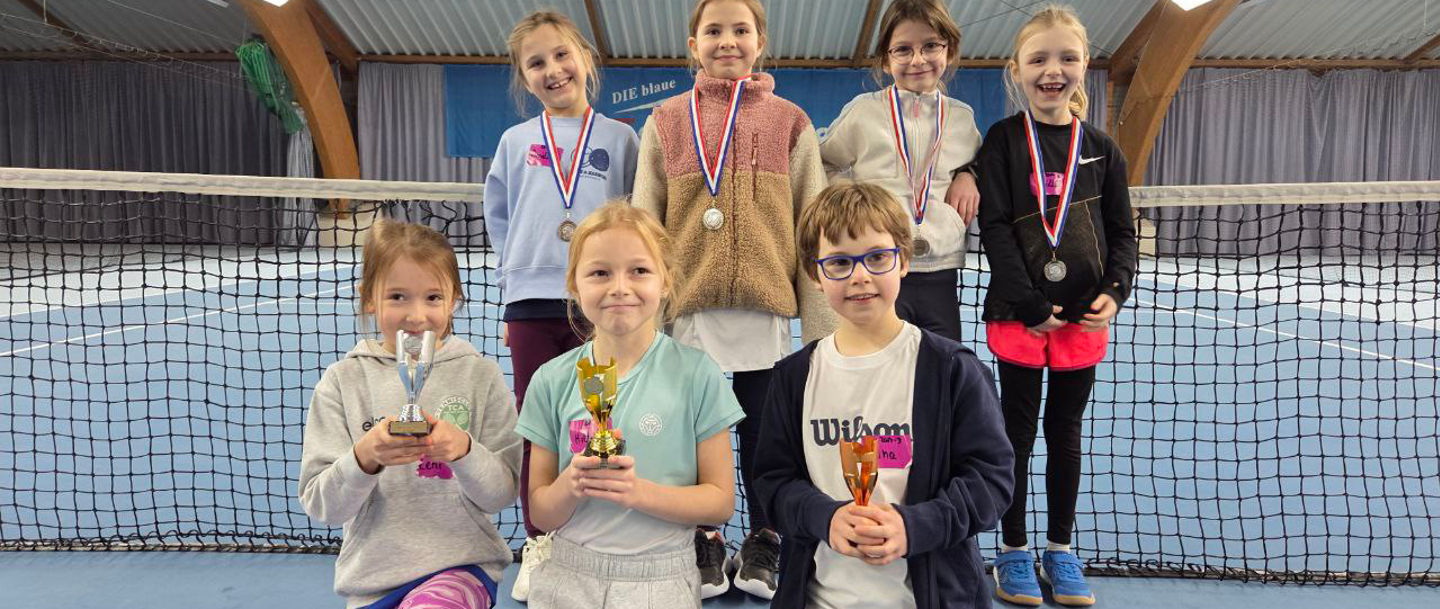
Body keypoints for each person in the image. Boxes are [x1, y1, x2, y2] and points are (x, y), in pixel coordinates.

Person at [630, 0, 835, 597]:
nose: (727, 40)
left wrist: (822, 333)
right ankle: (705, 535)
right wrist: (644, 318)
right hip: (690, 310)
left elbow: (812, 226)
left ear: (759, 41)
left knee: (767, 436)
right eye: (713, 30)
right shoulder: (666, 121)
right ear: (693, 44)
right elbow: (645, 221)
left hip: (765, 312)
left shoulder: (791, 123)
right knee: (696, 435)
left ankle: (765, 536)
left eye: (740, 29)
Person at [753, 181, 1014, 609]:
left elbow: (991, 479)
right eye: (839, 262)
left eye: (876, 257)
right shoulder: (793, 378)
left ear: (904, 260)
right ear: (815, 275)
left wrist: (914, 527)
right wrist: (826, 518)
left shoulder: (952, 370)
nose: (860, 276)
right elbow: (773, 483)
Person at [975, 5, 1139, 606]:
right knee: (1015, 435)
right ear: (1017, 69)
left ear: (1084, 65)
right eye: (1039, 59)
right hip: (1021, 316)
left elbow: (1122, 232)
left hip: (1082, 319)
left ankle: (1060, 549)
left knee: (1065, 432)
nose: (1053, 70)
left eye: (1067, 58)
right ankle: (1013, 549)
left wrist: (1114, 292)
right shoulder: (1002, 140)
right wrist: (1028, 302)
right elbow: (994, 228)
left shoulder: (1102, 148)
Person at [514, 203, 744, 609]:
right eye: (600, 273)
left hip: (662, 579)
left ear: (665, 281)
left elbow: (720, 502)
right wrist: (571, 485)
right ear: (574, 285)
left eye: (639, 270)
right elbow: (542, 513)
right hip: (568, 576)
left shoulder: (697, 374)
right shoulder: (550, 380)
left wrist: (637, 492)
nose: (619, 287)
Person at [482, 11, 640, 601]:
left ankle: (602, 533)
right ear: (523, 77)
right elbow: (500, 220)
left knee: (601, 419)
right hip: (531, 306)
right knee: (539, 424)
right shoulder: (515, 143)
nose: (552, 70)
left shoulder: (621, 139)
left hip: (598, 305)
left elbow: (636, 219)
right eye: (536, 63)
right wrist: (510, 297)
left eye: (561, 55)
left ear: (585, 59)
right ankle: (540, 540)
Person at [299, 218, 522, 609]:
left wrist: (464, 451)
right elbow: (323, 506)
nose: (416, 315)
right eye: (398, 296)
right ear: (369, 298)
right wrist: (364, 457)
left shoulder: (481, 376)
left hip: (462, 568)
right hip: (372, 581)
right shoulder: (341, 382)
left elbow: (501, 493)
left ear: (454, 300)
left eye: (433, 297)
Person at [819, 0, 982, 341]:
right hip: (877, 267)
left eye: (931, 46)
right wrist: (854, 202)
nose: (918, 59)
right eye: (903, 49)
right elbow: (824, 160)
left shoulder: (962, 117)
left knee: (942, 364)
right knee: (878, 361)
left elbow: (983, 162)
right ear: (885, 58)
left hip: (941, 270)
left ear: (949, 50)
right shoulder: (863, 111)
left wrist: (970, 174)